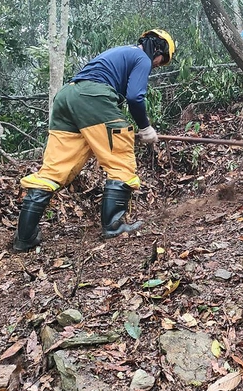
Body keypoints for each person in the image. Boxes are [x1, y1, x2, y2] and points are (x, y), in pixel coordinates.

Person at [14, 29, 176, 251]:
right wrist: (145, 127)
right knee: (120, 160)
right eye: (161, 61)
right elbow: (135, 97)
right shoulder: (142, 57)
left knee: (54, 171)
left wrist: (121, 130)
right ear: (158, 49)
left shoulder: (120, 53)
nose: (157, 65)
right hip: (92, 97)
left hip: (67, 97)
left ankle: (24, 238)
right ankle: (114, 226)